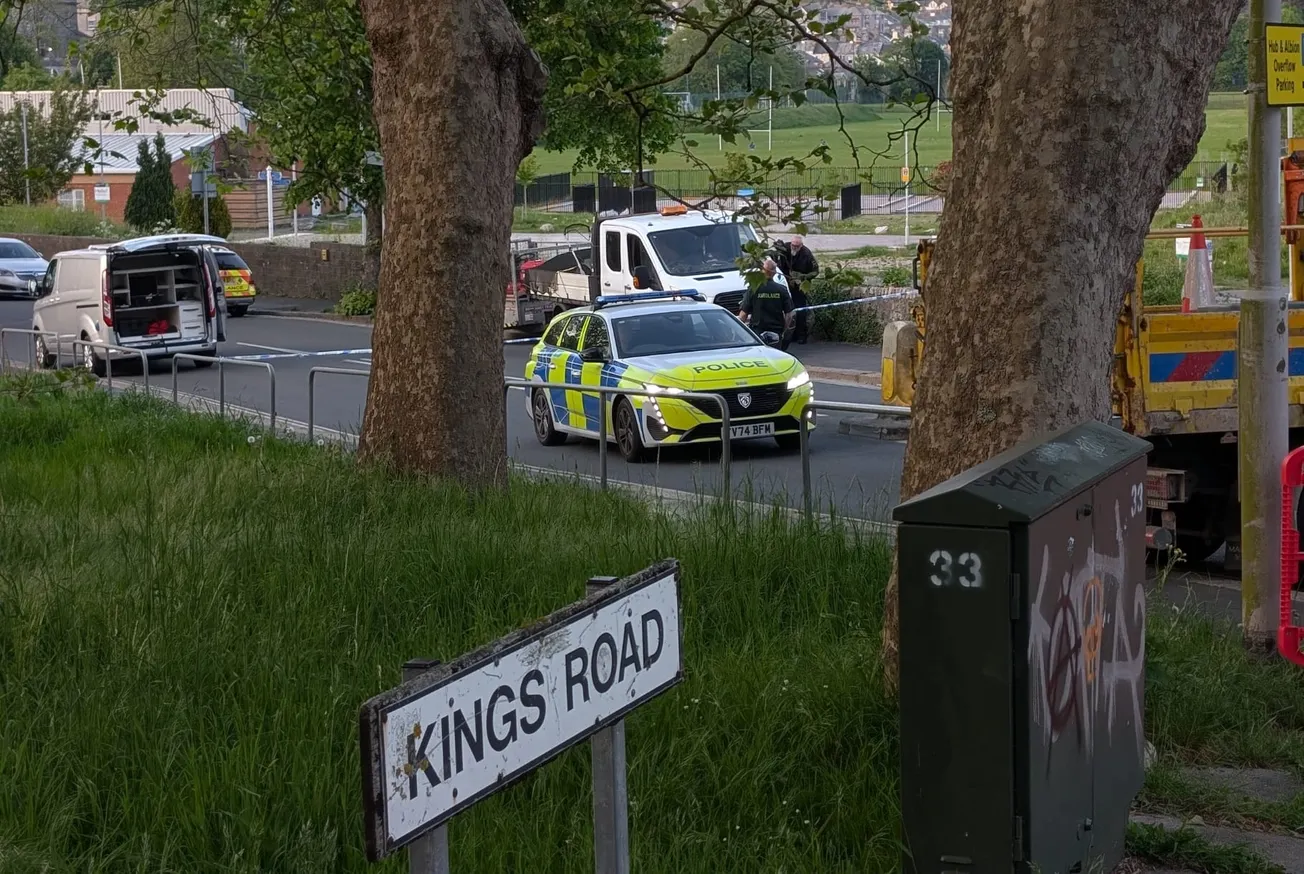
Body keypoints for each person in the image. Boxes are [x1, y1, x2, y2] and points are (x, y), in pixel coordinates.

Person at [740, 259, 794, 350]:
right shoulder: (782, 289)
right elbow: (789, 314)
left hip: (757, 332)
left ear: (763, 271)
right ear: (774, 272)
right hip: (776, 332)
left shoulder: (753, 289)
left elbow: (743, 314)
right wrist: (783, 330)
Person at [784, 235, 819, 345]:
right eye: (792, 245)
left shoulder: (807, 254)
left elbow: (815, 271)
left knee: (801, 311)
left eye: (796, 246)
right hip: (785, 285)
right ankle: (791, 335)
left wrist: (803, 277)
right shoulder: (785, 248)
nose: (794, 247)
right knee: (788, 310)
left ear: (801, 246)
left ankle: (801, 335)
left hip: (800, 287)